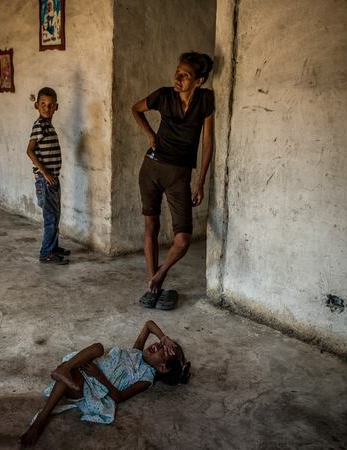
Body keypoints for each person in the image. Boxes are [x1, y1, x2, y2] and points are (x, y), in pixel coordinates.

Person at [20, 320, 190, 447]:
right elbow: (148, 325)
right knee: (98, 348)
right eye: (161, 344)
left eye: (163, 351)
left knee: (72, 380)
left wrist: (98, 375)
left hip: (94, 385)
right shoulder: (136, 351)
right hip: (86, 365)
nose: (158, 345)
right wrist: (164, 337)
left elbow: (120, 397)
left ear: (163, 368)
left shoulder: (146, 378)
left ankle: (40, 420)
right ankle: (65, 370)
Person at [131, 52, 215, 310]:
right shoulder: (164, 95)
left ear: (199, 81)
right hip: (151, 169)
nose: (177, 78)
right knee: (151, 225)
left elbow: (207, 141)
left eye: (185, 75)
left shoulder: (205, 100)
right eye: (177, 71)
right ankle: (151, 284)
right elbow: (135, 109)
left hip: (179, 174)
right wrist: (149, 134)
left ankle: (159, 275)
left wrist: (200, 180)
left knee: (183, 239)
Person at [26, 87, 70, 264]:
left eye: (50, 105)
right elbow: (29, 151)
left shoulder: (48, 125)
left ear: (56, 107)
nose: (47, 108)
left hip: (52, 179)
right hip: (45, 180)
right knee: (50, 217)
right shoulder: (39, 126)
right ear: (36, 105)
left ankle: (53, 247)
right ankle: (46, 253)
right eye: (43, 104)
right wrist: (44, 173)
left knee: (55, 215)